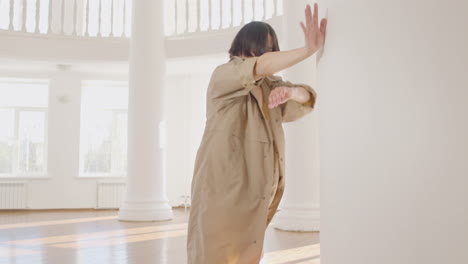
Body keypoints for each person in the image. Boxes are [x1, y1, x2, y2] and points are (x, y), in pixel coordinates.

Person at [187, 3, 327, 264]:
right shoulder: (224, 75)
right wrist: (308, 50)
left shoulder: (271, 85)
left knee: (246, 257)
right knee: (213, 255)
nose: (267, 53)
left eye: (271, 48)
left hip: (256, 195)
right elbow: (258, 66)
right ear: (243, 46)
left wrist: (293, 92)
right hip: (221, 192)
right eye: (262, 46)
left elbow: (306, 100)